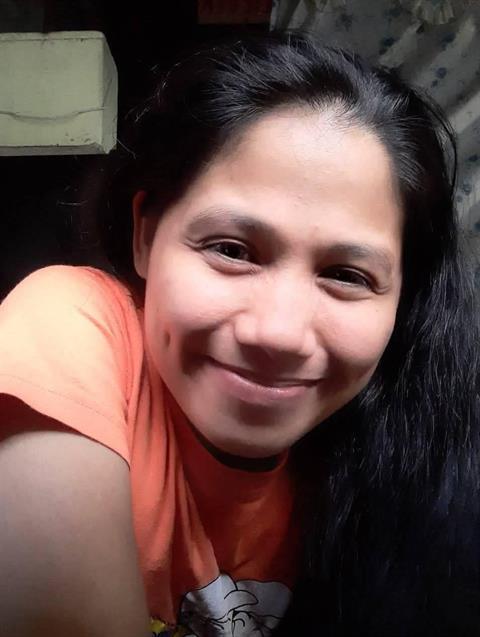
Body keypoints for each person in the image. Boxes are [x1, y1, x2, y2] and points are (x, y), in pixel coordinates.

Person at [0, 32, 479, 637]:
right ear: (146, 236)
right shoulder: (70, 323)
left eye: (346, 275)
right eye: (231, 250)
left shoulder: (415, 449)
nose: (278, 332)